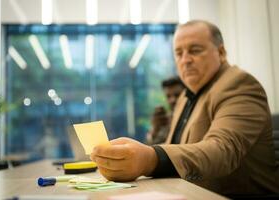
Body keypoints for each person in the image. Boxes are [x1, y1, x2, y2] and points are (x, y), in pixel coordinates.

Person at [90, 20, 279, 195]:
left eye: (195, 50)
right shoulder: (185, 96)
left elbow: (221, 150)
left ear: (221, 53)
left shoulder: (240, 84)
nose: (185, 59)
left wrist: (149, 158)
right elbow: (177, 148)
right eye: (179, 53)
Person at [146, 76, 184, 145]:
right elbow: (150, 147)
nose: (172, 100)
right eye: (168, 96)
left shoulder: (192, 116)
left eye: (177, 95)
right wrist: (155, 129)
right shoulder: (165, 120)